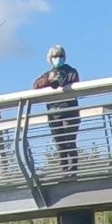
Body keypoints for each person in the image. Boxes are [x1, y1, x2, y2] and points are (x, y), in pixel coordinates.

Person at [32, 45, 83, 174]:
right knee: (60, 144)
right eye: (55, 56)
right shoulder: (48, 74)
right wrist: (49, 80)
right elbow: (35, 85)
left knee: (69, 141)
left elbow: (72, 79)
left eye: (61, 56)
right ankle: (64, 171)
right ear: (50, 58)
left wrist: (60, 78)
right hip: (53, 113)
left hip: (69, 111)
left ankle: (73, 172)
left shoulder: (71, 71)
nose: (58, 59)